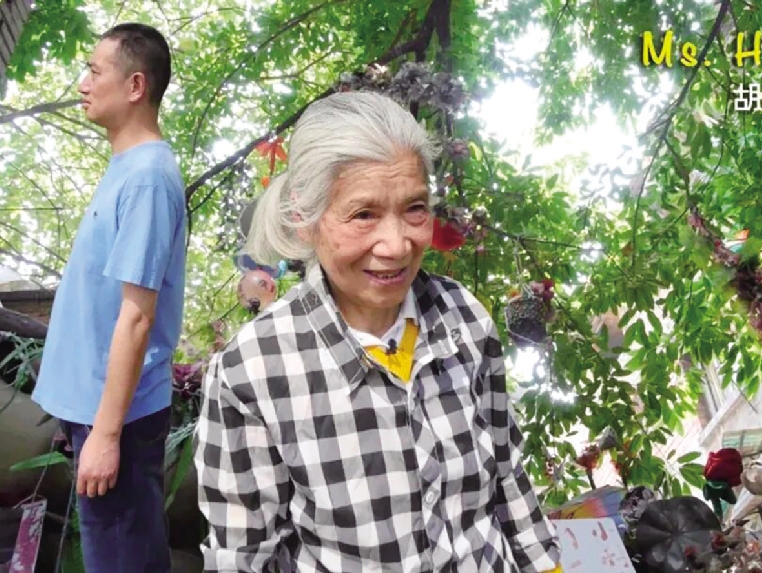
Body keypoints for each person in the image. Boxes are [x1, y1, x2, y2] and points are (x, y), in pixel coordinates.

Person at [193, 91, 562, 572]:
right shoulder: (251, 371)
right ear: (305, 219)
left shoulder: (464, 319)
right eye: (363, 214)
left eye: (414, 208)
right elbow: (242, 557)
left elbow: (507, 472)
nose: (396, 245)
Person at [31, 23, 186, 573]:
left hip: (118, 416)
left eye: (95, 72)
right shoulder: (127, 169)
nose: (83, 84)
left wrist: (107, 432)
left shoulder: (147, 178)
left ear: (136, 85)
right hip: (99, 411)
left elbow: (137, 317)